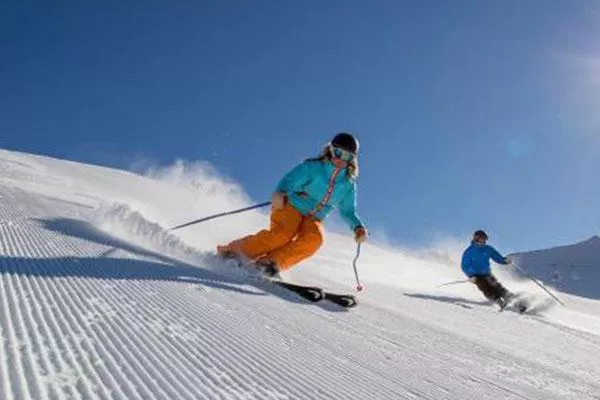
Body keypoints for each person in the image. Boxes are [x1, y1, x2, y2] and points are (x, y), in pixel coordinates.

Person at [217, 132, 368, 276]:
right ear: (330, 150)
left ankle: (269, 263)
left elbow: (348, 210)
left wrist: (358, 227)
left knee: (314, 239)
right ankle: (234, 252)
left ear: (352, 159)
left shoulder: (348, 183)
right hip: (291, 206)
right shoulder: (314, 167)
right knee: (283, 234)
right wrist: (280, 193)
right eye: (338, 152)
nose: (341, 159)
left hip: (313, 218)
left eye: (347, 156)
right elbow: (290, 180)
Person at [461, 230, 515, 309]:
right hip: (475, 275)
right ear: (476, 239)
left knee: (496, 286)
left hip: (486, 273)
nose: (483, 241)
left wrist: (504, 261)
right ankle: (498, 301)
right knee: (485, 286)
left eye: (485, 239)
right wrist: (470, 275)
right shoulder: (469, 251)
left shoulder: (488, 249)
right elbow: (465, 265)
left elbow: (496, 257)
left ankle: (512, 300)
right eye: (481, 239)